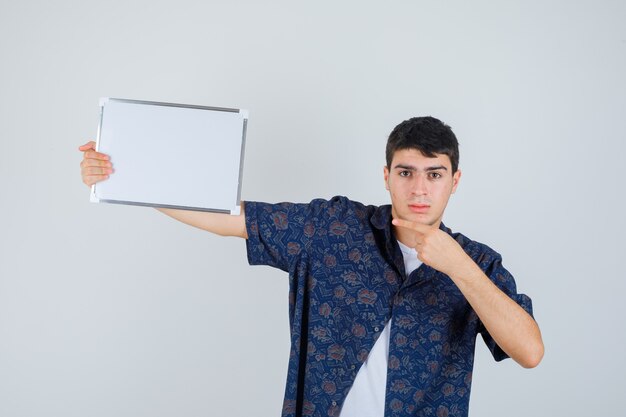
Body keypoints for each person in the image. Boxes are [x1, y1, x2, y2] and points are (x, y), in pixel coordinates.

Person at [79, 116, 543, 417]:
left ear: (454, 181)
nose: (419, 189)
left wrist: (457, 266)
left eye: (434, 174)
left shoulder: (479, 263)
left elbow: (529, 351)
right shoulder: (333, 227)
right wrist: (126, 175)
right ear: (387, 176)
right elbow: (234, 218)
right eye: (406, 172)